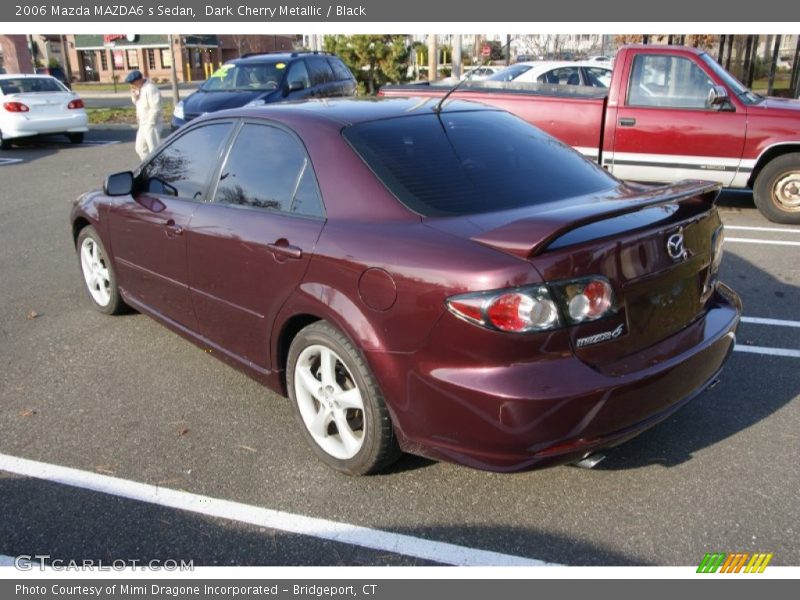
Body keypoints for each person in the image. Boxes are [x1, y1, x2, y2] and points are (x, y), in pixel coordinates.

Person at [125, 70, 162, 160]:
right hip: (142, 123)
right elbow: (138, 104)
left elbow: (156, 108)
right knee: (140, 148)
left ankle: (156, 169)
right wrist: (134, 96)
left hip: (152, 124)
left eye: (133, 83)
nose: (132, 85)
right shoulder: (139, 89)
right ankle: (148, 167)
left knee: (154, 149)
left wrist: (151, 123)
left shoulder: (151, 88)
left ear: (139, 80)